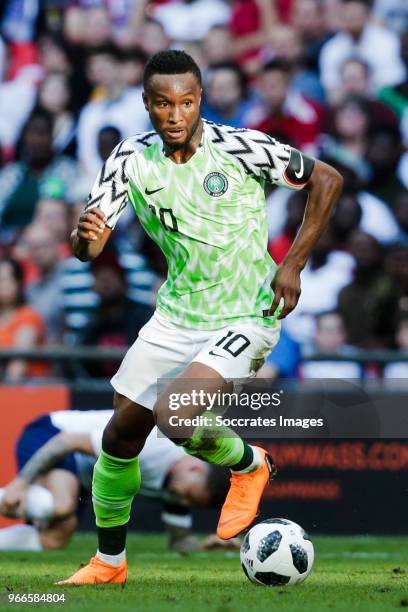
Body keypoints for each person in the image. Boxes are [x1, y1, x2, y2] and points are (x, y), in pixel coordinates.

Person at [57, 50, 343, 585]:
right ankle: (109, 564)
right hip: (175, 316)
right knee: (120, 436)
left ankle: (248, 464)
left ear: (199, 101)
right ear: (146, 104)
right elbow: (87, 246)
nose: (175, 115)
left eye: (186, 102)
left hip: (247, 312)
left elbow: (327, 179)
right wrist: (84, 239)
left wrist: (292, 266)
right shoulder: (129, 159)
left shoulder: (240, 145)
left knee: (178, 415)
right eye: (163, 104)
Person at [0, 410, 233, 554]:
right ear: (194, 467)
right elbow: (68, 441)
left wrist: (205, 545)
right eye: (188, 495)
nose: (181, 499)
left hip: (78, 466)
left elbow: (179, 542)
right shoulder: (152, 446)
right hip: (53, 433)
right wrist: (21, 482)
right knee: (62, 506)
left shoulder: (178, 483)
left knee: (55, 538)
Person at [0, 256, 47, 380]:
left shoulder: (28, 316)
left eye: (7, 279)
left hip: (28, 391)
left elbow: (19, 364)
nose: (3, 285)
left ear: (19, 283)